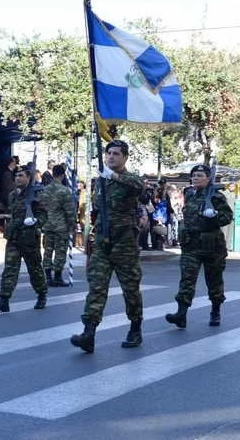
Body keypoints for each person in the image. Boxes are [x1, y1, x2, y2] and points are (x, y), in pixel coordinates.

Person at [71, 140, 144, 353]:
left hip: (125, 243)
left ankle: (135, 328)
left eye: (116, 154)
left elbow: (139, 187)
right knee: (97, 287)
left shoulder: (129, 179)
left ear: (125, 157)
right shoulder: (100, 182)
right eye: (108, 153)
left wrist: (113, 176)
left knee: (130, 288)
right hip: (103, 242)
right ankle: (89, 333)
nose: (111, 157)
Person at [165, 164, 234, 329]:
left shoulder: (216, 197)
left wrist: (215, 216)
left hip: (212, 246)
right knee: (187, 280)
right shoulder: (189, 193)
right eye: (194, 175)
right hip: (191, 245)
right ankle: (181, 313)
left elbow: (227, 217)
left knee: (214, 279)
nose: (196, 178)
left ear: (208, 178)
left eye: (200, 175)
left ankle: (215, 310)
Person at [0, 164, 48, 312]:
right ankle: (4, 299)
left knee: (34, 269)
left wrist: (36, 222)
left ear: (29, 177)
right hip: (14, 237)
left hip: (29, 238)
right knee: (10, 269)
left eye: (21, 176)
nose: (17, 178)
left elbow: (44, 214)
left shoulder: (36, 194)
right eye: (16, 175)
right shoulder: (13, 195)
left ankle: (41, 294)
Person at [42, 163, 76, 287]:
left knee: (48, 251)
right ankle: (57, 277)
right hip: (61, 226)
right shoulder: (64, 191)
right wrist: (72, 225)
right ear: (62, 175)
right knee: (60, 251)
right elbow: (70, 210)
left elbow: (42, 208)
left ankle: (47, 277)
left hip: (48, 225)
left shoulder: (45, 190)